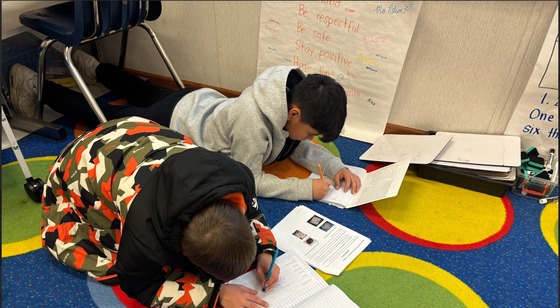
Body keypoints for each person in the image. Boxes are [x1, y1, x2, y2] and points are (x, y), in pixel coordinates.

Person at [10, 51, 361, 201]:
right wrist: (304, 190)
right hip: (178, 120)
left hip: (199, 101)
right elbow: (250, 178)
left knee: (142, 88)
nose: (310, 140)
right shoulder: (254, 124)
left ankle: (90, 65)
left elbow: (297, 144)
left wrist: (335, 166)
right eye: (313, 132)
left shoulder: (289, 97)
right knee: (105, 115)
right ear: (295, 114)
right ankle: (35, 85)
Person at [41, 116, 280, 308]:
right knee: (107, 253)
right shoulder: (144, 235)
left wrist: (266, 250)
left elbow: (251, 212)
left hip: (132, 131)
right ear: (184, 253)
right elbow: (141, 287)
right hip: (78, 163)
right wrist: (217, 292)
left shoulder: (238, 177)